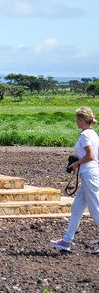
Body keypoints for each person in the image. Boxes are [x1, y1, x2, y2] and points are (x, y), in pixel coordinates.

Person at [51, 107, 99, 253]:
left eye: (76, 119)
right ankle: (66, 241)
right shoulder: (94, 134)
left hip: (89, 174)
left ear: (80, 120)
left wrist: (76, 163)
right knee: (77, 208)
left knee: (96, 210)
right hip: (89, 174)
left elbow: (90, 156)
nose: (76, 122)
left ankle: (66, 241)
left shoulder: (85, 135)